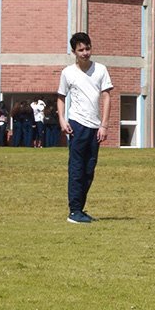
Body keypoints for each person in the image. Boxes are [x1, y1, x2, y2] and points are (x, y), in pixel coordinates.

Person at [58, 32, 112, 223]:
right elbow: (61, 97)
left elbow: (106, 97)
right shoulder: (68, 73)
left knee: (89, 169)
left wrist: (104, 125)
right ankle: (74, 211)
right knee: (76, 168)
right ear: (74, 51)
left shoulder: (101, 70)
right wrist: (63, 120)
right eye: (81, 50)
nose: (85, 53)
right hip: (77, 125)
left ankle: (80, 208)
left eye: (87, 48)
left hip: (95, 126)